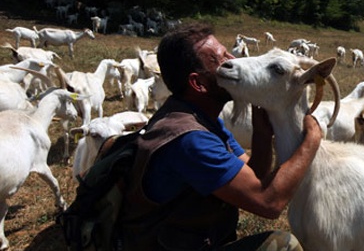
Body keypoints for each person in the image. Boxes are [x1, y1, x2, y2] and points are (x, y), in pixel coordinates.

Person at [119, 22, 323, 250]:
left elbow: (253, 174)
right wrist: (311, 141)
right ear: (198, 84)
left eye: (228, 52)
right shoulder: (189, 140)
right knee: (284, 246)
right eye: (221, 60)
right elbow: (269, 202)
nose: (234, 61)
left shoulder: (200, 118)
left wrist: (262, 134)